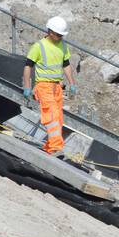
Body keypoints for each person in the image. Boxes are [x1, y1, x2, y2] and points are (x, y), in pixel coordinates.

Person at [21, 16, 77, 155]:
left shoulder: (63, 46)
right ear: (50, 31)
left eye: (61, 35)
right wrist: (27, 86)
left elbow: (66, 64)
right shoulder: (38, 46)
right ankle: (56, 148)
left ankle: (49, 148)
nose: (59, 37)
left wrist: (72, 83)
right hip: (43, 87)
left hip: (57, 87)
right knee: (51, 116)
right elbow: (28, 67)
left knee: (58, 119)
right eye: (58, 34)